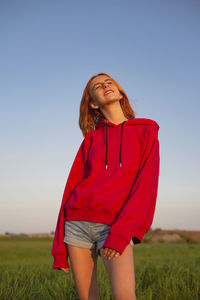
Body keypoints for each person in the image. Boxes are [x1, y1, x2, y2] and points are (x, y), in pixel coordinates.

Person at [51, 72, 160, 300]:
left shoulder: (146, 132)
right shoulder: (90, 140)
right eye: (97, 86)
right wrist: (59, 250)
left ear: (120, 93)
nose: (105, 85)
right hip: (77, 224)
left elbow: (146, 189)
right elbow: (70, 190)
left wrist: (121, 234)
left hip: (114, 224)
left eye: (109, 82)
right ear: (93, 103)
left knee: (124, 296)